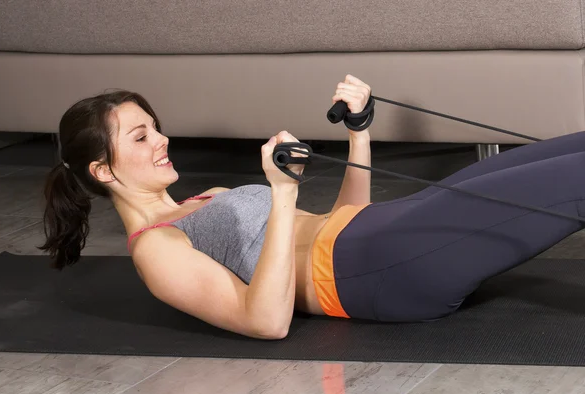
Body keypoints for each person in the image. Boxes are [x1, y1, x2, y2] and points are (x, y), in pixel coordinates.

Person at [40, 74, 585, 340]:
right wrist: (281, 191)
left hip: (382, 232)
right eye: (140, 137)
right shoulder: (156, 249)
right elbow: (267, 321)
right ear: (103, 171)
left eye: (154, 127)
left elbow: (341, 223)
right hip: (385, 269)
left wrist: (359, 131)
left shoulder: (208, 200)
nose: (161, 140)